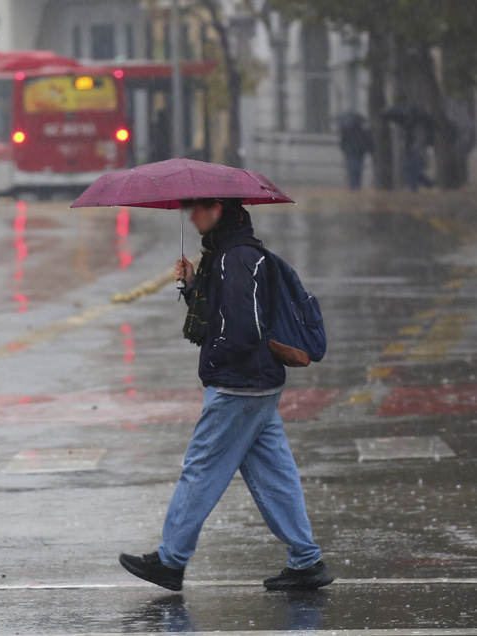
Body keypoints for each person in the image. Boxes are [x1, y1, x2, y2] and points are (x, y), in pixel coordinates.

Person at [119, 199, 333, 592]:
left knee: (201, 470)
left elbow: (244, 327)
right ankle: (307, 561)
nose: (191, 216)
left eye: (196, 209)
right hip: (258, 384)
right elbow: (226, 312)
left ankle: (170, 560)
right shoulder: (227, 255)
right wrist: (194, 284)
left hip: (240, 384)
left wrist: (218, 358)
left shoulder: (236, 258)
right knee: (275, 474)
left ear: (217, 209)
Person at [337, 113, 373, 191]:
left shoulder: (346, 132)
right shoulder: (363, 132)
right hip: (359, 153)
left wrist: (344, 149)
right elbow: (369, 142)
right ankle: (357, 186)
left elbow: (342, 143)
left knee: (352, 170)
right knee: (358, 170)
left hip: (350, 153)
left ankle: (353, 186)